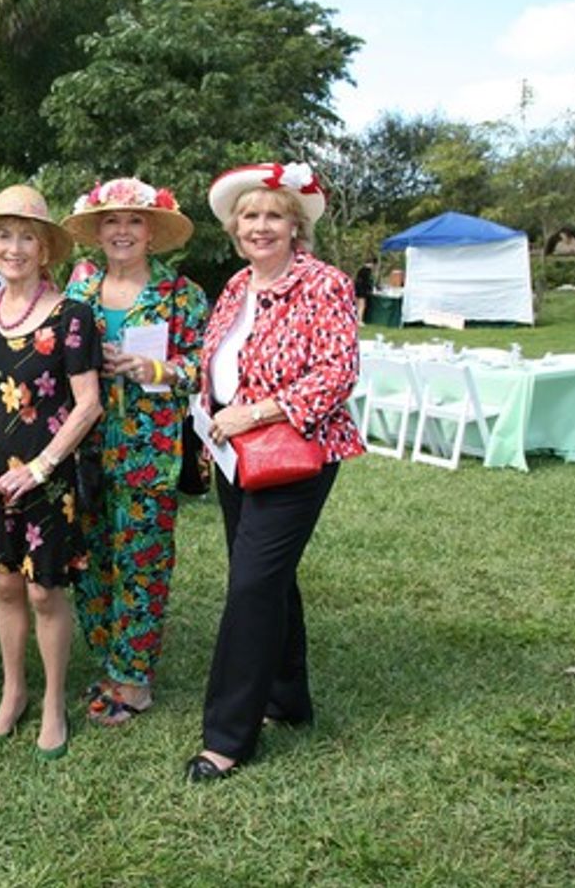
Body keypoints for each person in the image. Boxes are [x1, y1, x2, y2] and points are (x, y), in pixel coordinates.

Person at [186, 162, 363, 782]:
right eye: (250, 216)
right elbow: (217, 363)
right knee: (266, 578)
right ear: (235, 228)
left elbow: (337, 373)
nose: (260, 226)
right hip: (235, 456)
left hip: (295, 453)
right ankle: (288, 699)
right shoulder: (237, 286)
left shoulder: (324, 284)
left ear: (295, 227)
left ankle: (228, 737)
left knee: (253, 586)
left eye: (273, 216)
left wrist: (256, 411)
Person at [0, 185, 103, 759]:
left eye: (26, 237)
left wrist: (41, 468)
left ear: (45, 250)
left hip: (48, 476)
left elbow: (87, 404)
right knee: (4, 585)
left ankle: (52, 703)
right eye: (4, 236)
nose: (14, 247)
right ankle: (13, 695)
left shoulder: (73, 316)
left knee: (44, 591)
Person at [62, 177, 209, 725]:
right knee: (91, 558)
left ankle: (135, 678)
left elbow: (204, 369)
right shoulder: (78, 292)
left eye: (134, 222)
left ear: (151, 232)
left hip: (150, 450)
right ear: (98, 232)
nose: (122, 231)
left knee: (142, 563)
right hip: (83, 447)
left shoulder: (182, 295)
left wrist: (156, 369)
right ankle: (109, 662)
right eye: (112, 222)